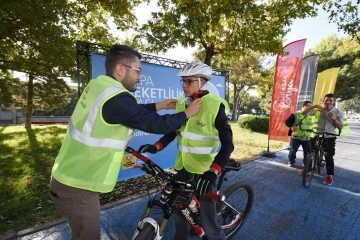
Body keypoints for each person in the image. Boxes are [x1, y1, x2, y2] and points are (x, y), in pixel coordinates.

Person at [49, 44, 202, 240]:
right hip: (78, 186)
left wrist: (159, 105)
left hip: (68, 177)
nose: (139, 77)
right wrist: (187, 114)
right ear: (121, 69)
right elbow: (155, 124)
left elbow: (131, 112)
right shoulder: (116, 98)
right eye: (138, 71)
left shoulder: (101, 87)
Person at [138, 61, 234, 240]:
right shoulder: (182, 103)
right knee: (178, 211)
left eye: (189, 81)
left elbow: (228, 144)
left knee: (209, 220)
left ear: (202, 82)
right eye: (183, 81)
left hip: (204, 170)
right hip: (182, 167)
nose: (184, 85)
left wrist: (213, 171)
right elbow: (174, 130)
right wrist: (157, 146)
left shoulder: (215, 105)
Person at [301, 93, 344, 185]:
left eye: (330, 100)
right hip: (316, 133)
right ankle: (308, 168)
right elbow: (303, 113)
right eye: (326, 100)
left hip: (329, 135)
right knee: (310, 152)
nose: (328, 102)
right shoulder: (317, 110)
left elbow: (341, 126)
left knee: (328, 155)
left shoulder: (338, 112)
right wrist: (315, 106)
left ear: (333, 102)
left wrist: (334, 119)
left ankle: (329, 176)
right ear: (323, 101)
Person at [284, 101, 314, 167]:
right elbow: (287, 122)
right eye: (308, 105)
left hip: (307, 137)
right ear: (303, 106)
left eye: (311, 106)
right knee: (293, 151)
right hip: (296, 137)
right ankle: (291, 161)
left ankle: (305, 163)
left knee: (307, 152)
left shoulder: (310, 116)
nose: (310, 107)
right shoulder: (295, 114)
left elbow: (313, 125)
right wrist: (291, 126)